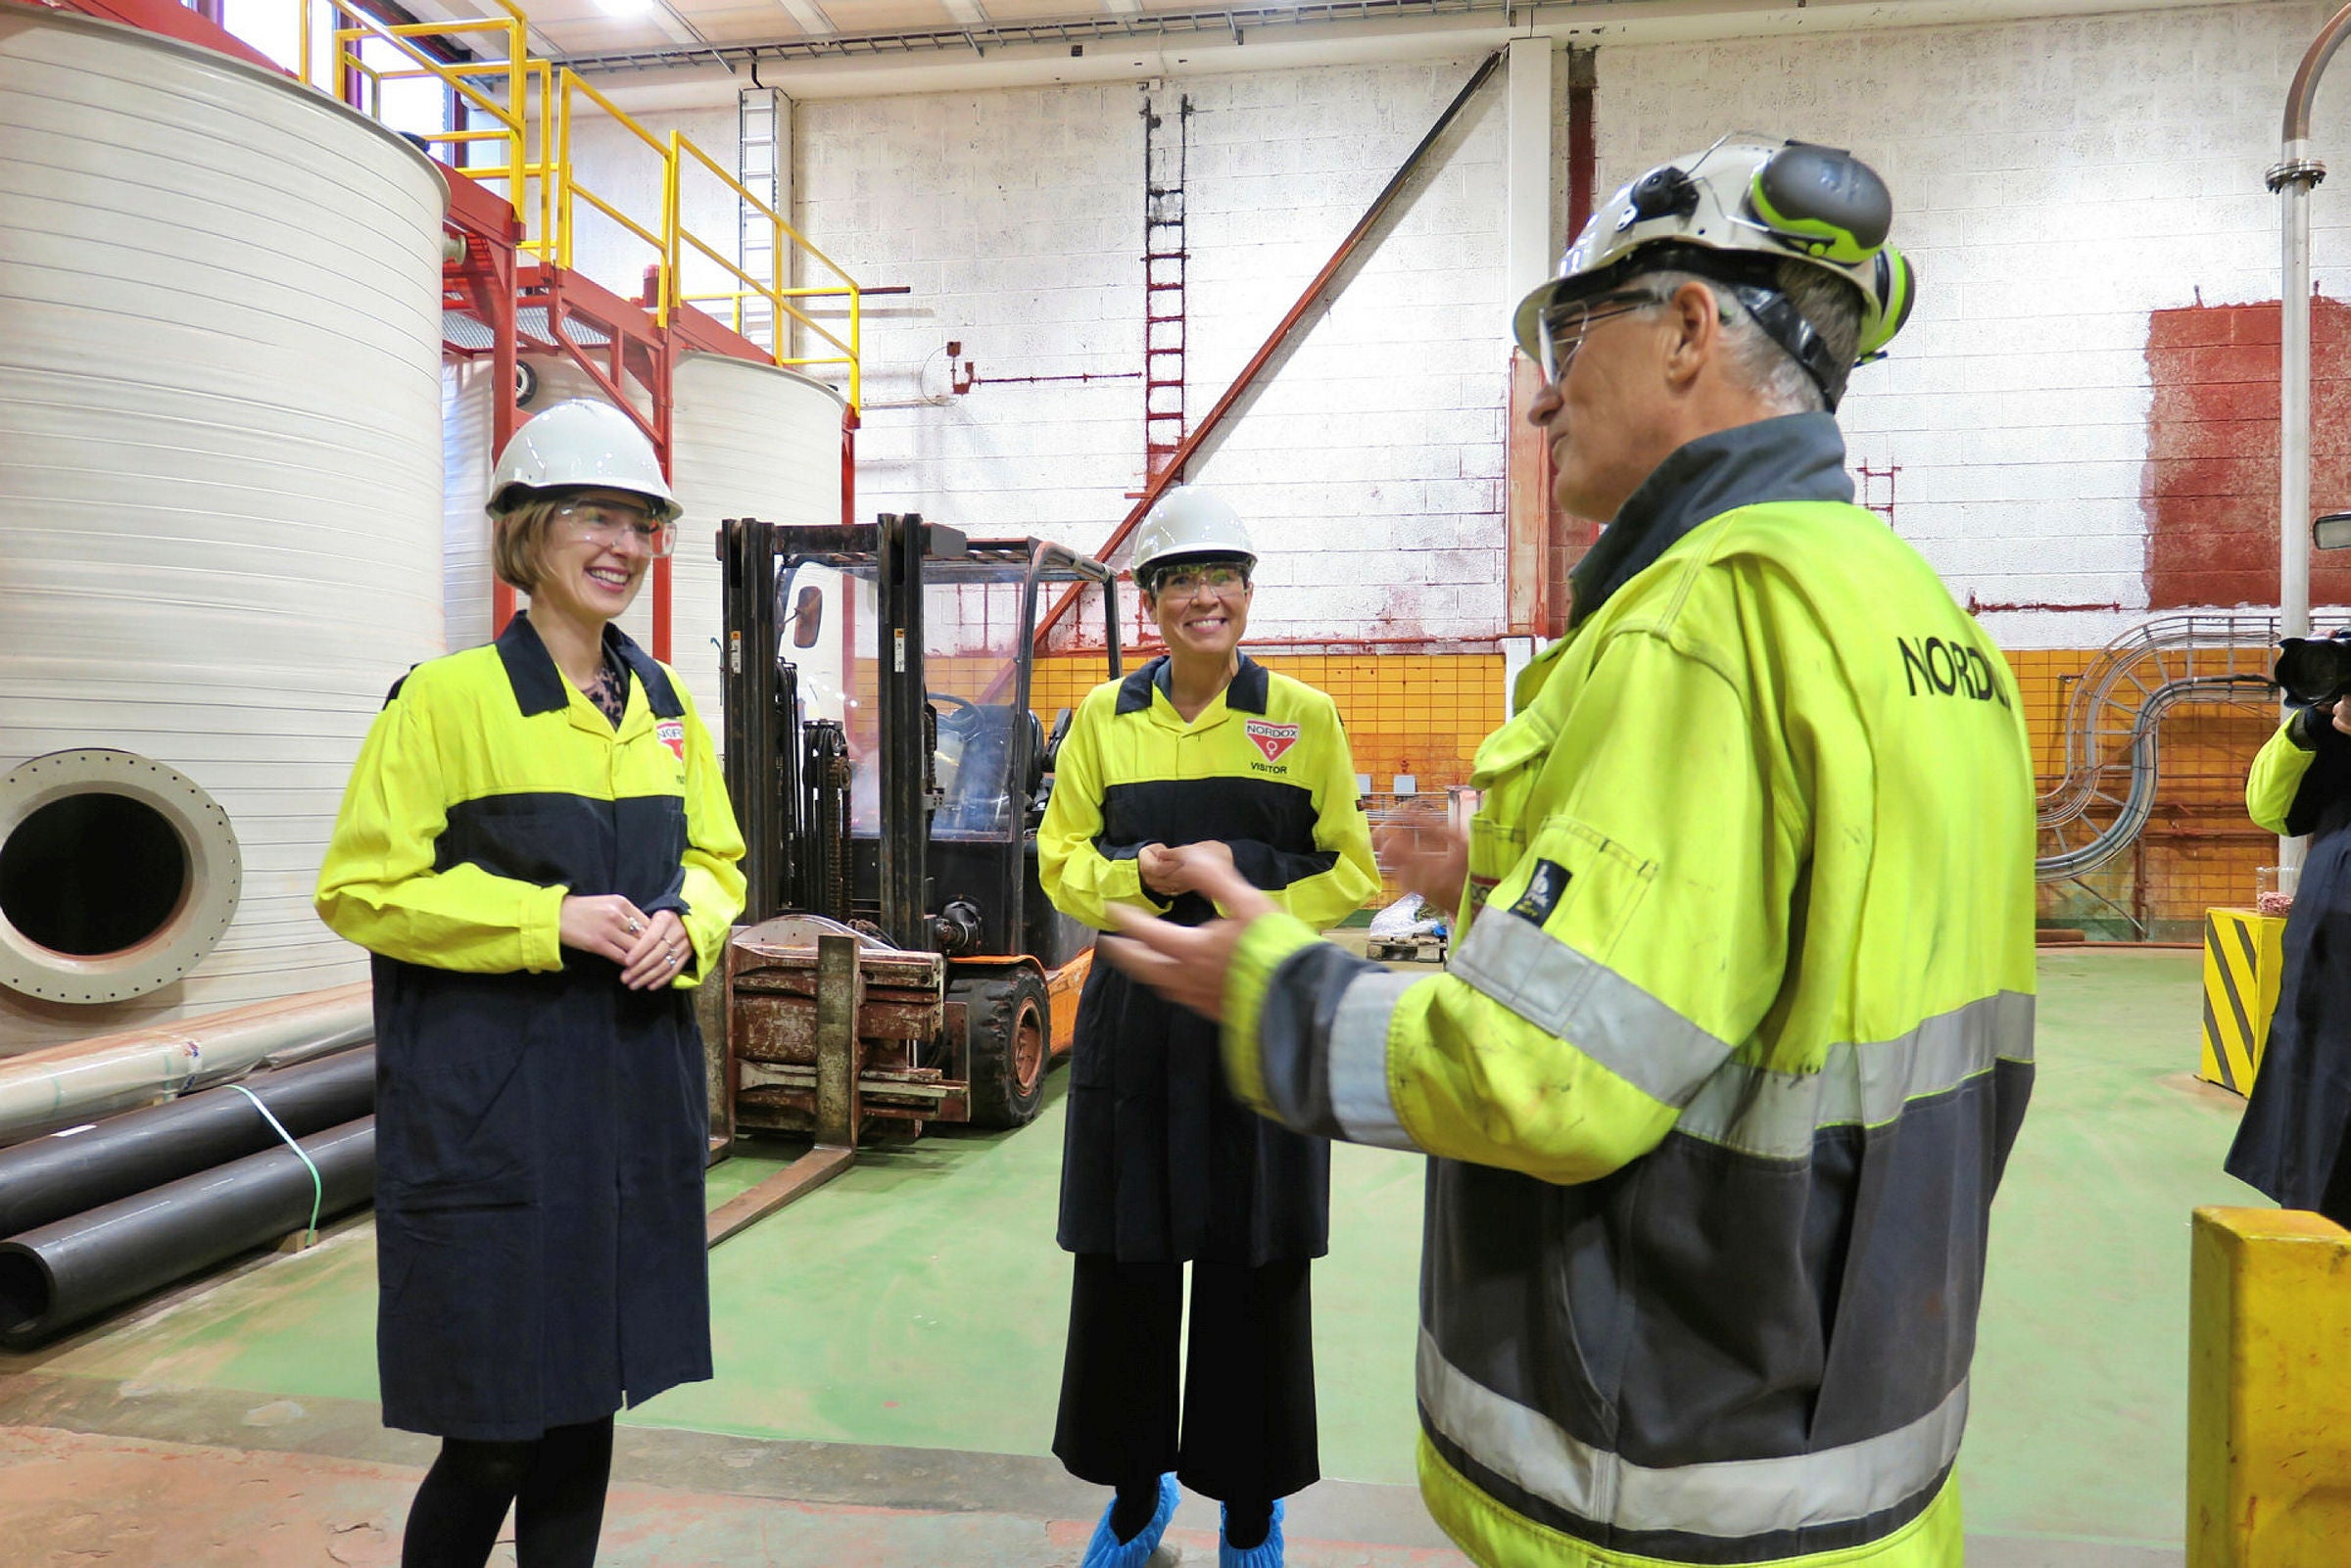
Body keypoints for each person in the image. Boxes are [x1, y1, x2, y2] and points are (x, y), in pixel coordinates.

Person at [1100, 138, 2037, 1568]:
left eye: (1570, 335)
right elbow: (1787, 966)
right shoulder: (1923, 621)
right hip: (1857, 1444)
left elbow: (1546, 1078)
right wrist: (1481, 880)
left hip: (1674, 1470)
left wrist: (1276, 992)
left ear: (1688, 329)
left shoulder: (1702, 622)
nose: (1543, 394)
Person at [315, 398, 746, 1568]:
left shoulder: (663, 707)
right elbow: (362, 887)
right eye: (595, 517)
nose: (624, 545)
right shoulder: (445, 699)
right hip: (495, 1120)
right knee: (495, 1433)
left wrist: (689, 926)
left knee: (584, 1415)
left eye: (642, 524)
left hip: (628, 1110)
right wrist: (543, 918)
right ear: (527, 530)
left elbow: (719, 860)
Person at [1036, 485, 1380, 1568]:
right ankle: (1136, 1501)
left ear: (1248, 591)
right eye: (1180, 579)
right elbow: (1059, 860)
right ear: (1151, 601)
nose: (1204, 597)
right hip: (1138, 1018)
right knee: (1127, 1265)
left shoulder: (1303, 718)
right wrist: (1135, 873)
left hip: (1257, 1018)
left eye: (1221, 576)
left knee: (1254, 1264)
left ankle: (1247, 1513)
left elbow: (1353, 873)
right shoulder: (1104, 717)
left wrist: (1246, 879)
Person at [2228, 641, 2351, 1221]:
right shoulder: (2332, 727)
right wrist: (2312, 724)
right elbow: (2272, 809)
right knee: (2317, 1108)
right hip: (2326, 948)